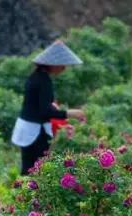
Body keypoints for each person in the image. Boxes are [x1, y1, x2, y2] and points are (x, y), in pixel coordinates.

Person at [12, 40, 85, 175]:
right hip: (35, 131)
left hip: (27, 127)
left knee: (28, 168)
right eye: (61, 64)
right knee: (37, 170)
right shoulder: (43, 81)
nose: (64, 68)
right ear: (52, 64)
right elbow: (45, 111)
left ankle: (22, 195)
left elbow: (37, 105)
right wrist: (70, 113)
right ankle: (29, 195)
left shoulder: (35, 77)